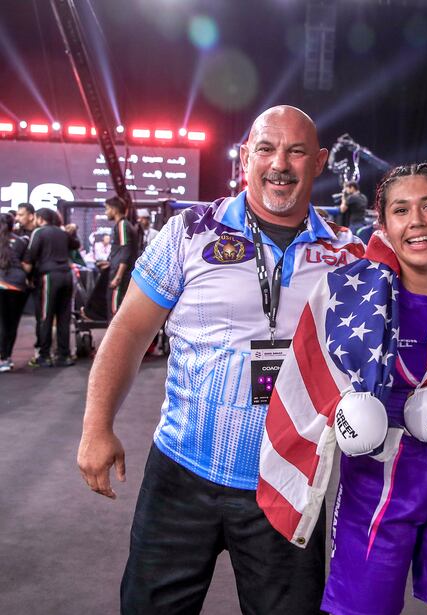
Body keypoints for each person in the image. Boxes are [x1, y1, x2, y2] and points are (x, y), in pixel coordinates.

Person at [76, 105, 364, 615]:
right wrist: (97, 427)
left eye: (296, 151)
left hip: (290, 481)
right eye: (267, 149)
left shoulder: (347, 255)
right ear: (245, 159)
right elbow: (127, 332)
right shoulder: (190, 231)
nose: (281, 163)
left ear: (318, 162)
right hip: (183, 471)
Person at [258, 163, 427, 615]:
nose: (416, 221)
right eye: (401, 210)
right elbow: (308, 378)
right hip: (377, 485)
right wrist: (346, 412)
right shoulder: (351, 295)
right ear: (384, 226)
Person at [22, 208, 79, 367]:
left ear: (40, 218)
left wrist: (27, 275)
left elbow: (31, 255)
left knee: (46, 316)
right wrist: (70, 232)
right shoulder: (62, 233)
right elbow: (76, 244)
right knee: (63, 317)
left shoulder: (39, 232)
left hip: (49, 277)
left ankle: (44, 356)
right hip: (66, 276)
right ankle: (64, 355)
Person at [99, 196, 136, 320]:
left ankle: (115, 339)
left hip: (121, 276)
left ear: (114, 210)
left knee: (115, 312)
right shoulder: (123, 225)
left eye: (107, 209)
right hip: (120, 273)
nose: (106, 212)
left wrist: (118, 276)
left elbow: (126, 250)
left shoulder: (122, 225)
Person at [0, 213, 28, 372]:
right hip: (18, 285)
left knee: (2, 322)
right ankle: (6, 358)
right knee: (12, 323)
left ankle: (2, 358)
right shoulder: (21, 241)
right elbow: (27, 266)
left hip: (2, 284)